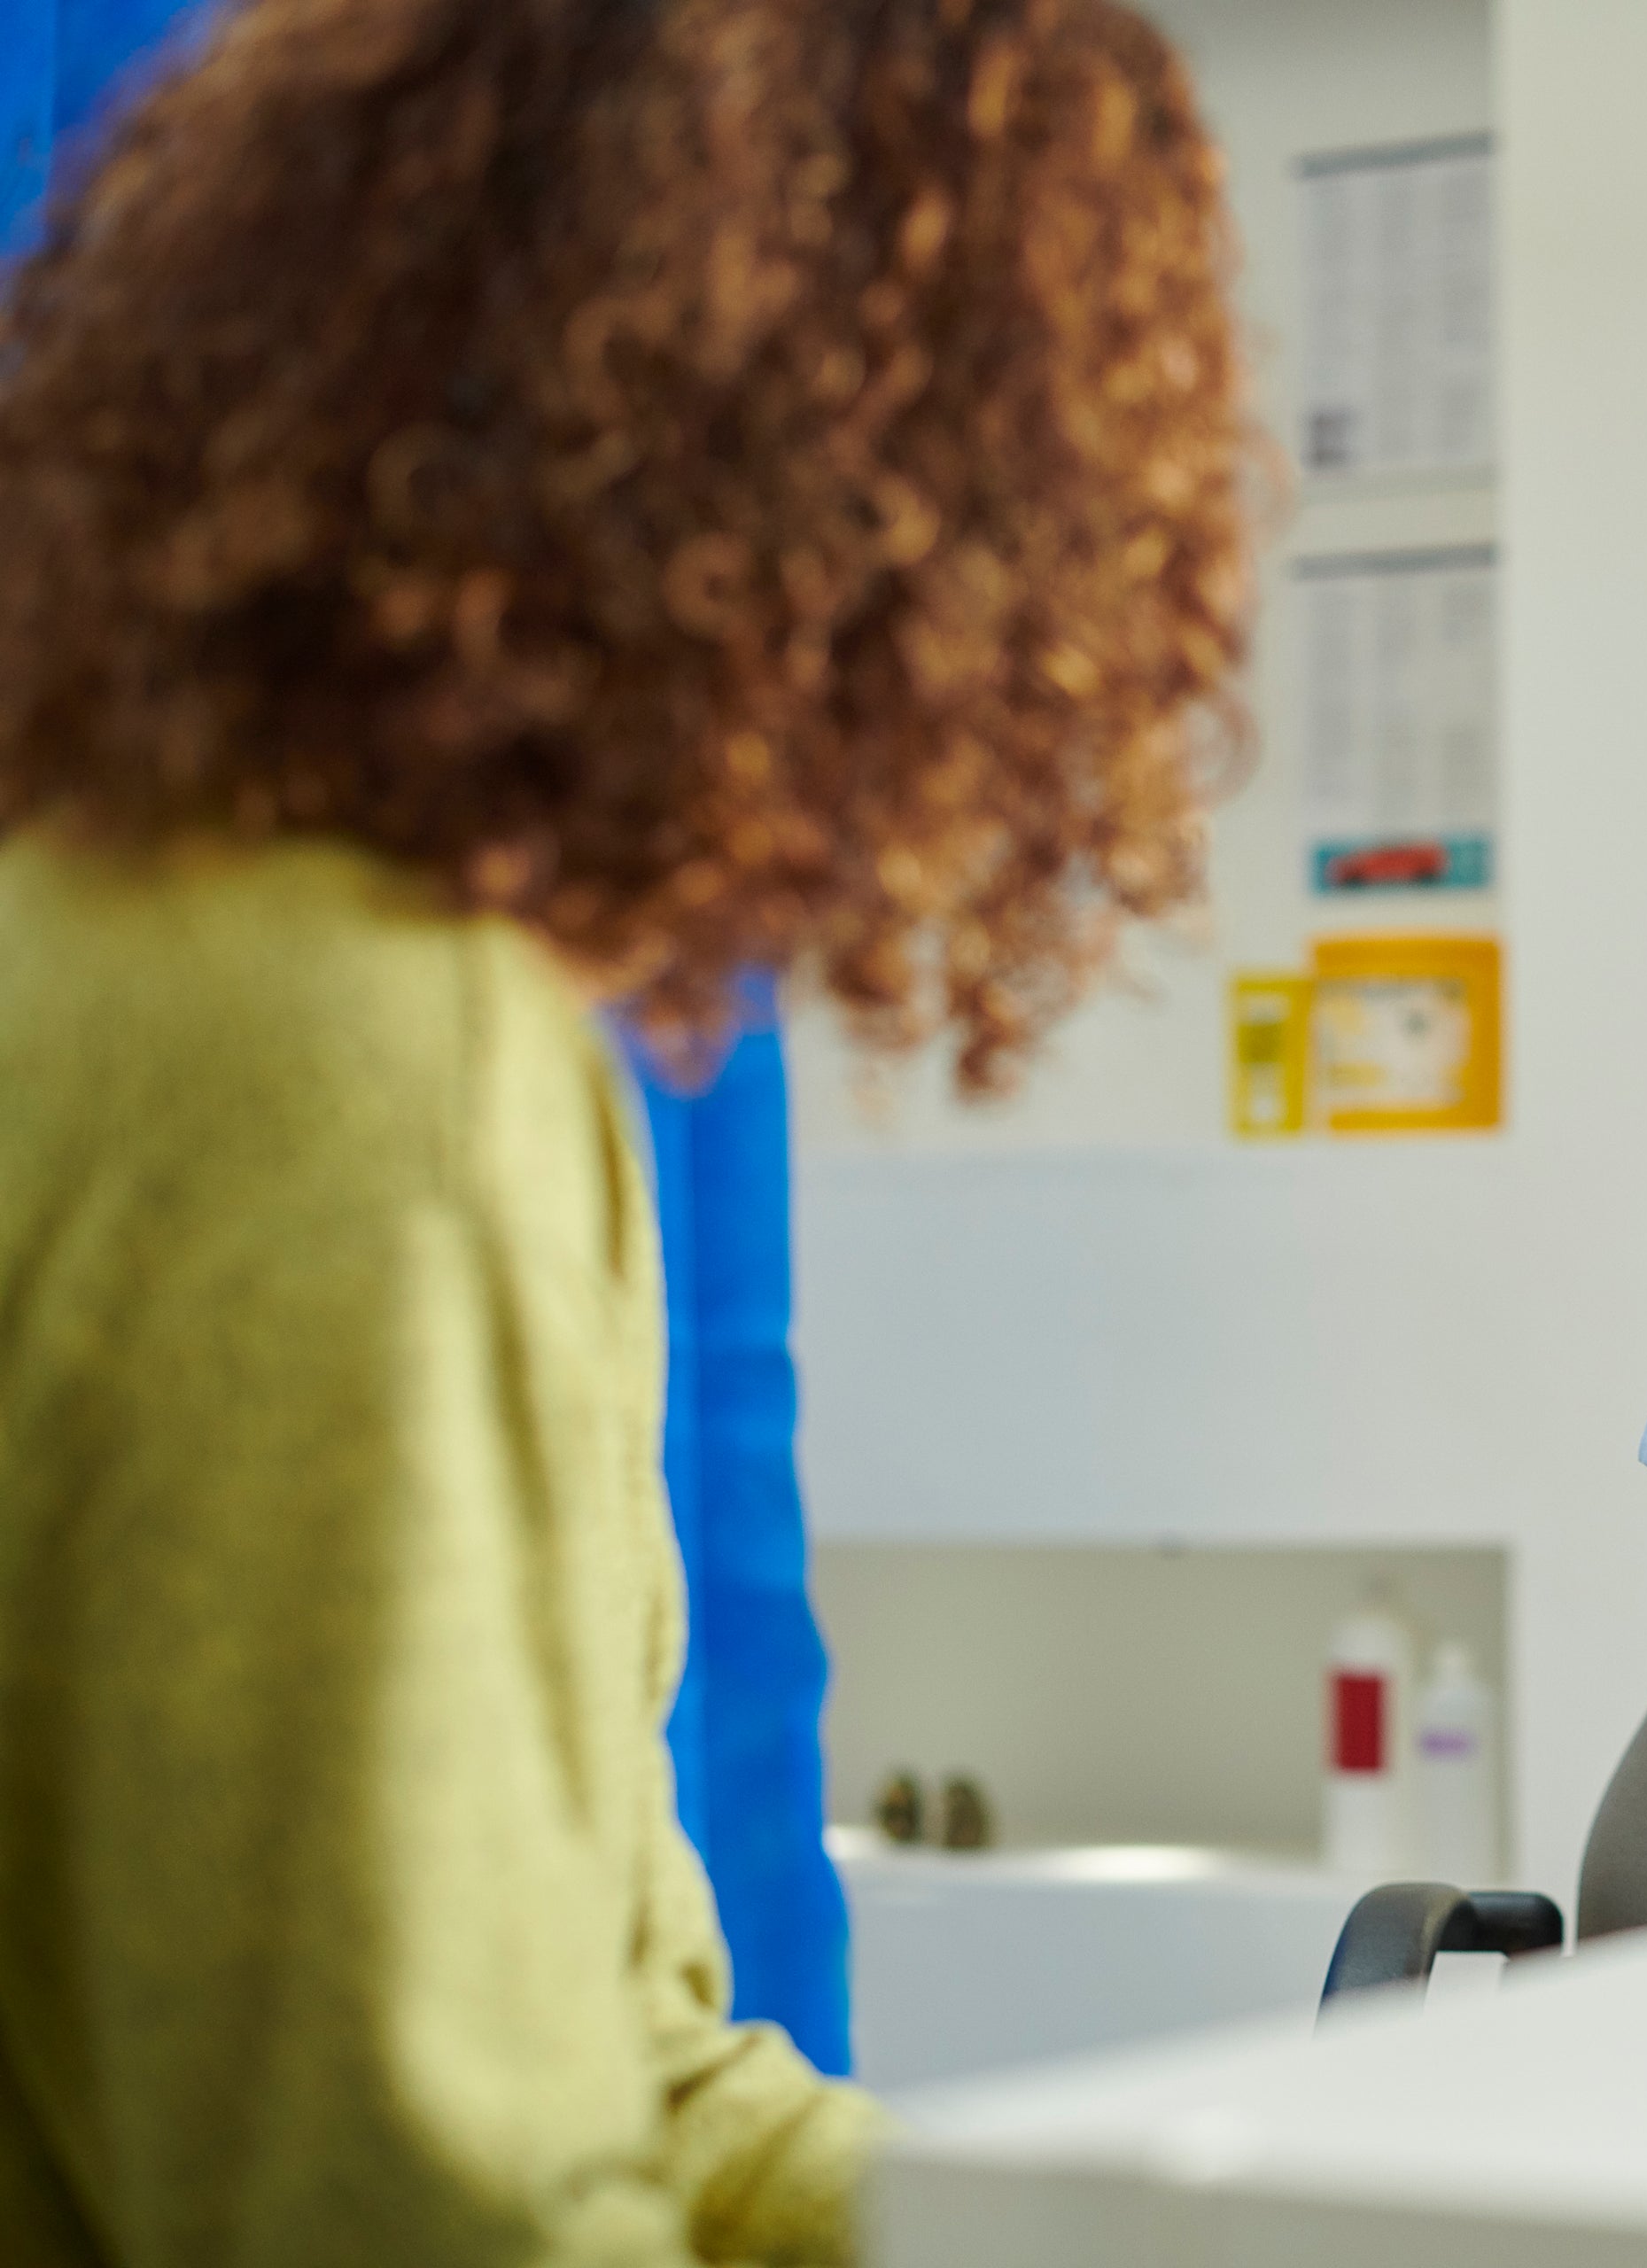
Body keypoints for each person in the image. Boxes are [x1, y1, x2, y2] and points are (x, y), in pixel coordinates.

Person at [0, 0, 1248, 2259]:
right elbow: (402, 2197)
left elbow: (626, 2044)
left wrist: (1135, 2224)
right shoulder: (348, 1043)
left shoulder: (319, 948)